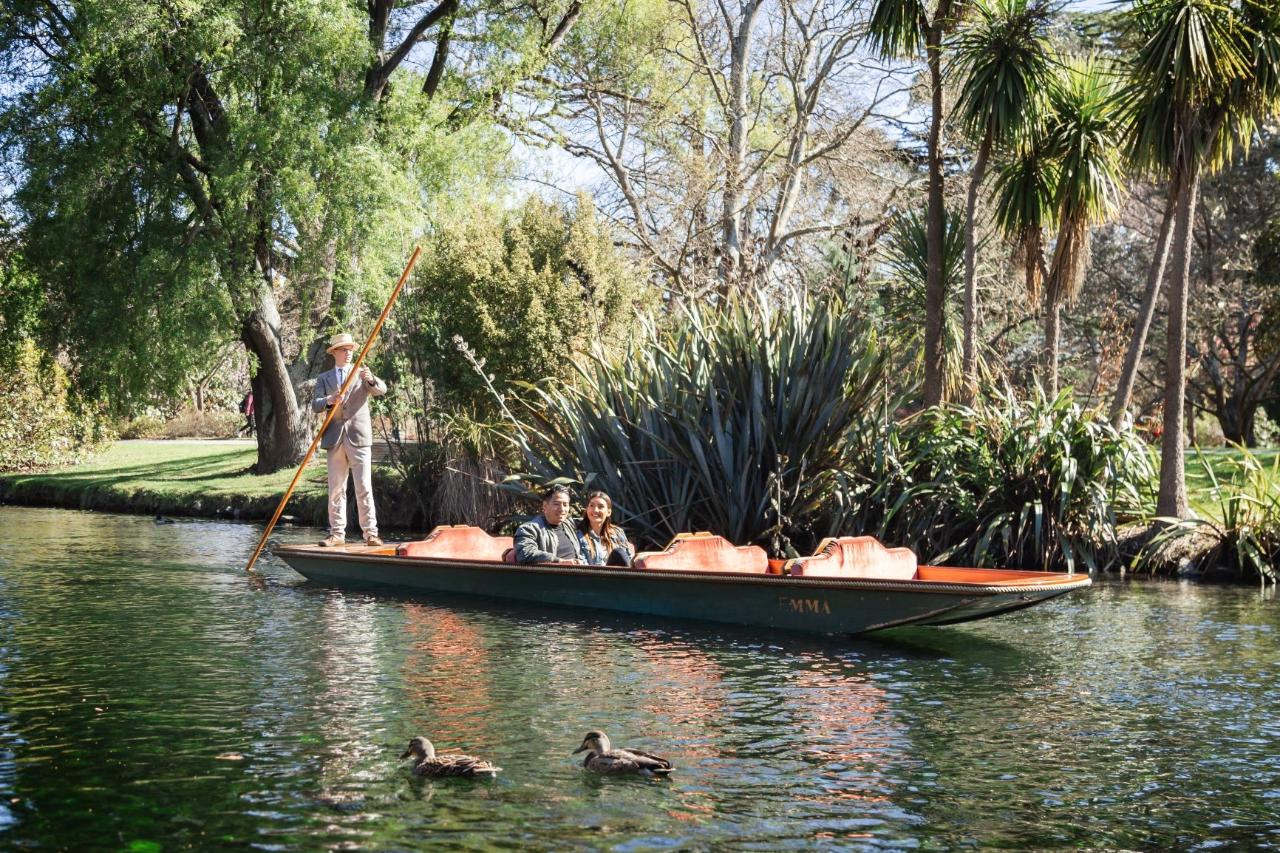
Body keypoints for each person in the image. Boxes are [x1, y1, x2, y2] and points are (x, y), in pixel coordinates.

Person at [312, 332, 387, 547]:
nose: (348, 353)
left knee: (364, 486)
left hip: (359, 437)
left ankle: (370, 533)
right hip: (334, 438)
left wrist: (371, 379)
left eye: (350, 350)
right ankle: (336, 534)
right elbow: (315, 405)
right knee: (336, 488)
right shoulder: (324, 378)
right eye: (344, 350)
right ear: (334, 352)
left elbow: (381, 390)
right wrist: (329, 400)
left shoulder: (361, 373)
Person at [513, 485, 584, 565]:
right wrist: (559, 561)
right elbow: (524, 553)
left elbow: (592, 522)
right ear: (545, 506)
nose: (562, 509)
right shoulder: (529, 529)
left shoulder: (570, 524)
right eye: (556, 504)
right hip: (550, 575)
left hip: (578, 573)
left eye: (565, 505)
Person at [577, 490, 634, 567]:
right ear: (587, 509)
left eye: (601, 506)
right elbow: (581, 565)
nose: (595, 510)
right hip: (591, 577)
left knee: (619, 552)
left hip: (619, 576)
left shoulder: (617, 533)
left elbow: (628, 560)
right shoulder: (579, 535)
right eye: (591, 505)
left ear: (609, 512)